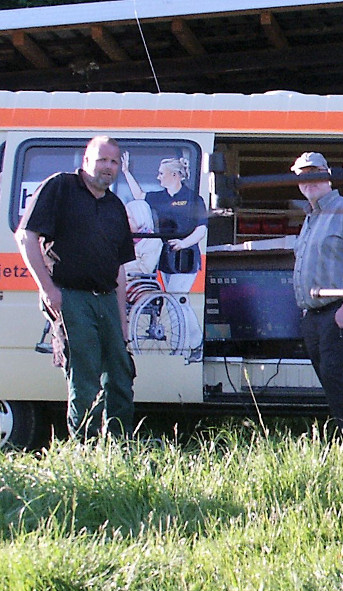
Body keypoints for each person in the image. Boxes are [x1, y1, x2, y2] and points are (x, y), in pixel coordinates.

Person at [16, 135, 136, 439]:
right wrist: (48, 290)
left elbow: (119, 268)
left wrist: (122, 322)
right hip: (71, 297)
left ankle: (118, 447)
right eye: (101, 160)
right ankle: (84, 450)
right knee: (85, 378)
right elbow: (25, 237)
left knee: (120, 376)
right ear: (86, 162)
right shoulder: (60, 187)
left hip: (107, 300)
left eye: (113, 162)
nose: (107, 167)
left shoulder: (116, 207)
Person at [290, 150, 343, 442]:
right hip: (313, 314)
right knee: (328, 377)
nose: (309, 181)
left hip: (338, 309)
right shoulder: (311, 216)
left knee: (337, 375)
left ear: (327, 175)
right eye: (303, 175)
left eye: (314, 173)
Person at [122, 153, 206, 360]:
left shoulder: (194, 199)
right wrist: (126, 172)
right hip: (165, 260)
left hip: (185, 260)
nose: (158, 178)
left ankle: (194, 345)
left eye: (162, 174)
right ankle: (193, 345)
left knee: (177, 301)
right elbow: (140, 196)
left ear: (175, 175)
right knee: (177, 302)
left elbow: (201, 229)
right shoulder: (158, 197)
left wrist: (183, 243)